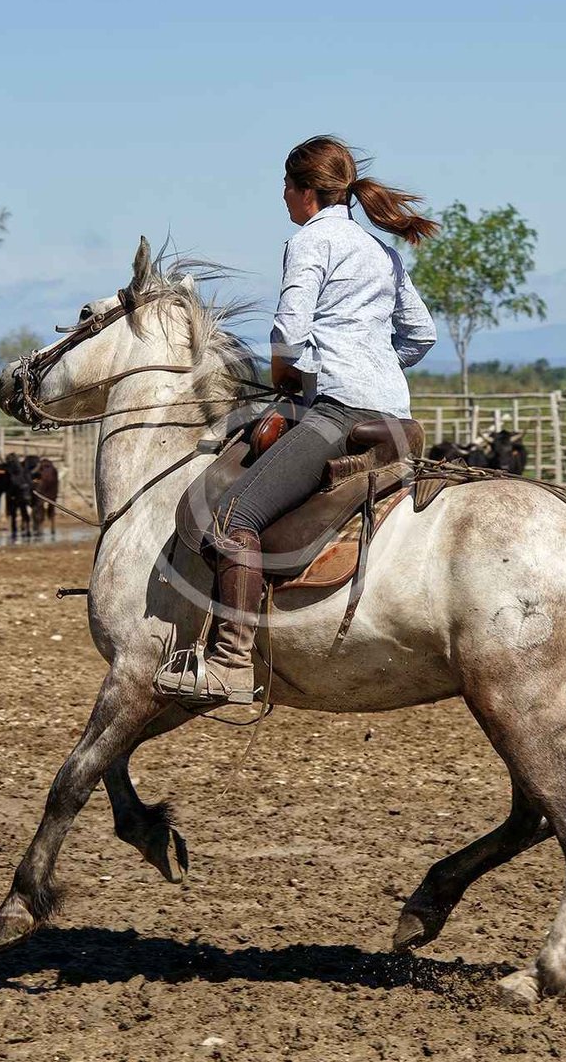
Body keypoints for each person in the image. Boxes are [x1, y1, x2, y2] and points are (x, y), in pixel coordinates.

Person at [157, 135, 439, 706]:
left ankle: (231, 662)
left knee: (236, 515)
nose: (284, 197)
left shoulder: (310, 241)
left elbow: (288, 332)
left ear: (307, 191)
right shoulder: (379, 249)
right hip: (397, 413)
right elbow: (422, 334)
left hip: (339, 411)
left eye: (287, 186)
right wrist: (377, 365)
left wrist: (293, 375)